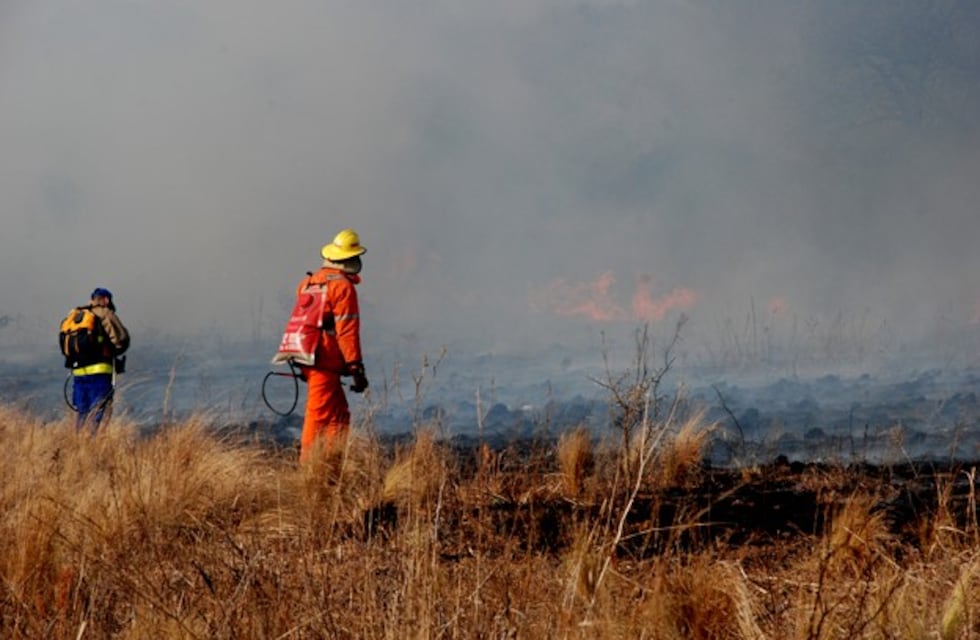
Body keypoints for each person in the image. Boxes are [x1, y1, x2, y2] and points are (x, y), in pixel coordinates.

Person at [294, 228, 369, 462]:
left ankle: (331, 463)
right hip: (324, 361)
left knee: (339, 416)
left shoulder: (308, 282)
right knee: (318, 415)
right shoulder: (343, 288)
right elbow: (347, 331)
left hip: (307, 356)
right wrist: (356, 368)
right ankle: (308, 469)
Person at [69, 287, 130, 431]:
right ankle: (94, 441)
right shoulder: (105, 313)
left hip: (78, 373)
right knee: (98, 411)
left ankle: (78, 441)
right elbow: (121, 339)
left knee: (82, 412)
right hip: (99, 373)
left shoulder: (76, 315)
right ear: (106, 300)